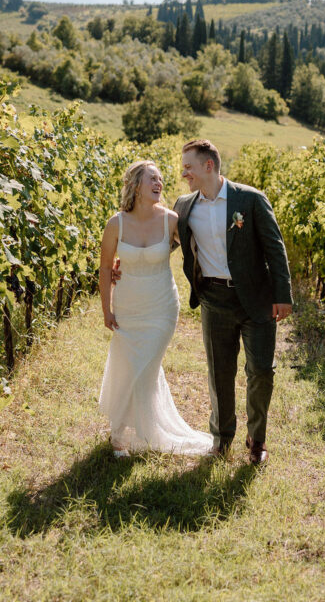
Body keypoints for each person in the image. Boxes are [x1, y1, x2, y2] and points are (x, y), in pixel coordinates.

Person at [175, 138, 292, 464]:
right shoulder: (184, 206)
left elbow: (275, 248)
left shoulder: (250, 199)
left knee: (261, 372)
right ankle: (222, 439)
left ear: (208, 166)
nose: (185, 174)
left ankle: (257, 440)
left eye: (189, 167)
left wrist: (283, 296)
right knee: (219, 373)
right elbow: (164, 241)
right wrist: (123, 263)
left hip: (257, 298)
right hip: (214, 299)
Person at [98, 159, 212, 457]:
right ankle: (121, 431)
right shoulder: (116, 223)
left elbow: (191, 249)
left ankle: (130, 431)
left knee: (145, 367)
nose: (159, 183)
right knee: (127, 364)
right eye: (152, 178)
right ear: (136, 185)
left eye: (160, 178)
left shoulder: (171, 220)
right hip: (128, 306)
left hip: (162, 305)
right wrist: (106, 310)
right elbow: (105, 268)